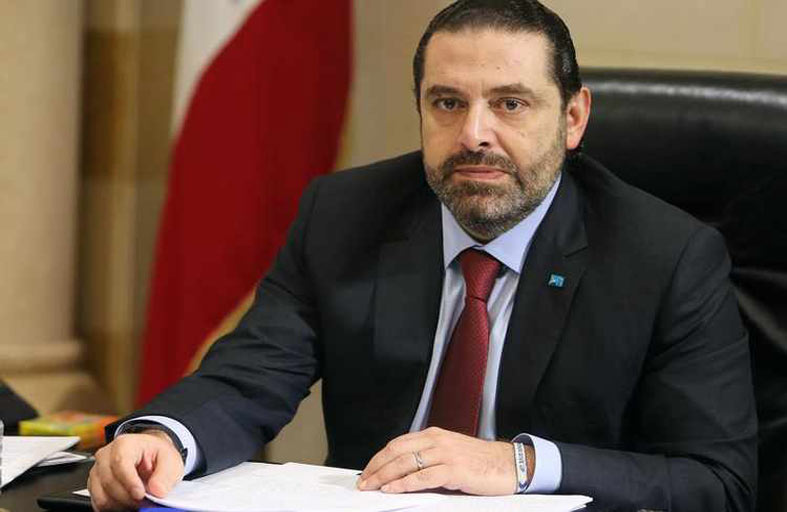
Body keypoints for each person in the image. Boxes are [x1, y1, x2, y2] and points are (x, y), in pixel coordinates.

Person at [88, 1, 757, 510]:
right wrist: (164, 436)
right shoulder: (345, 214)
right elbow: (250, 375)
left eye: (510, 104)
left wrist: (519, 466)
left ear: (573, 118)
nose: (473, 134)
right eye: (447, 103)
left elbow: (717, 481)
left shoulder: (665, 255)